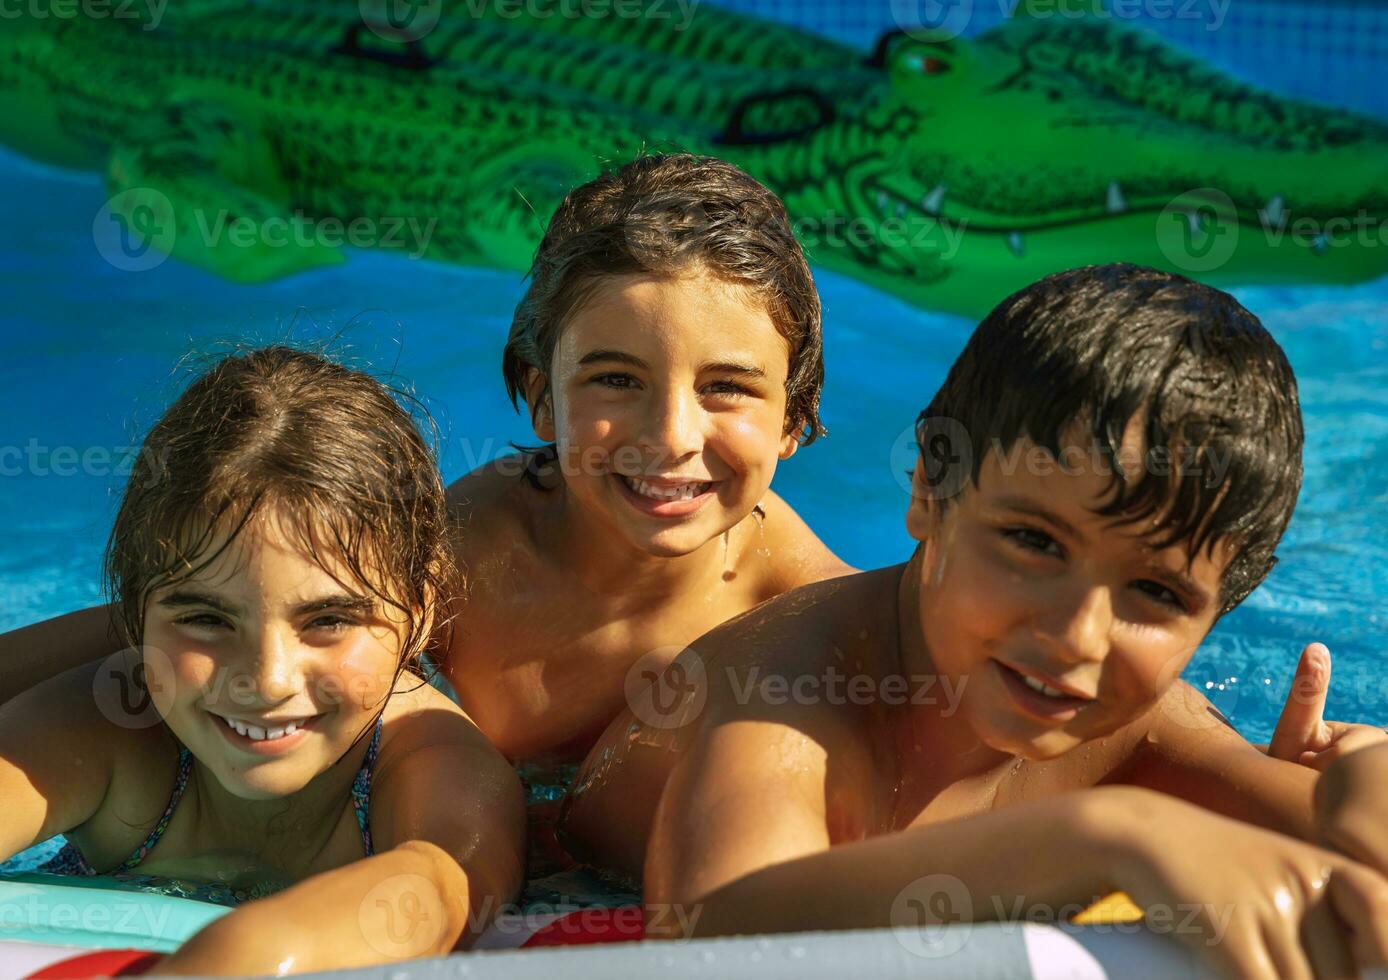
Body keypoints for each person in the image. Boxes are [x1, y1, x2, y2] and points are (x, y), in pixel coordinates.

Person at [564, 264, 1388, 979]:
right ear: (929, 487)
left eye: (1159, 596)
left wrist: (1362, 781)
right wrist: (1107, 838)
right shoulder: (786, 695)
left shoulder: (1139, 730)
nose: (1077, 636)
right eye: (1033, 542)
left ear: (1221, 607)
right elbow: (714, 936)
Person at [0, 155, 851, 775]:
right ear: (540, 394)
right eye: (616, 380)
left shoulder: (814, 615)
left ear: (796, 421)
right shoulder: (470, 548)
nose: (669, 434)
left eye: (728, 388)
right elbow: (175, 622)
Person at [0, 347, 526, 975]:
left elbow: (442, 889)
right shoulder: (116, 726)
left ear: (421, 604)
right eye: (205, 619)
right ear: (137, 610)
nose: (267, 680)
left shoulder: (431, 759)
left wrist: (246, 955)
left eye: (328, 620)